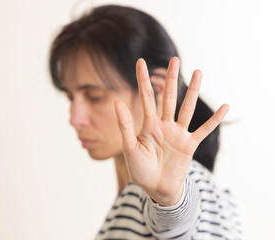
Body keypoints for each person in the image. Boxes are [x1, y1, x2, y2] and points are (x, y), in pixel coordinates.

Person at [49, 4, 242, 240]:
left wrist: (169, 201)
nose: (74, 118)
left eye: (94, 96)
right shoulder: (135, 194)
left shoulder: (182, 186)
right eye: (70, 97)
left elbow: (177, 224)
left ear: (154, 89)